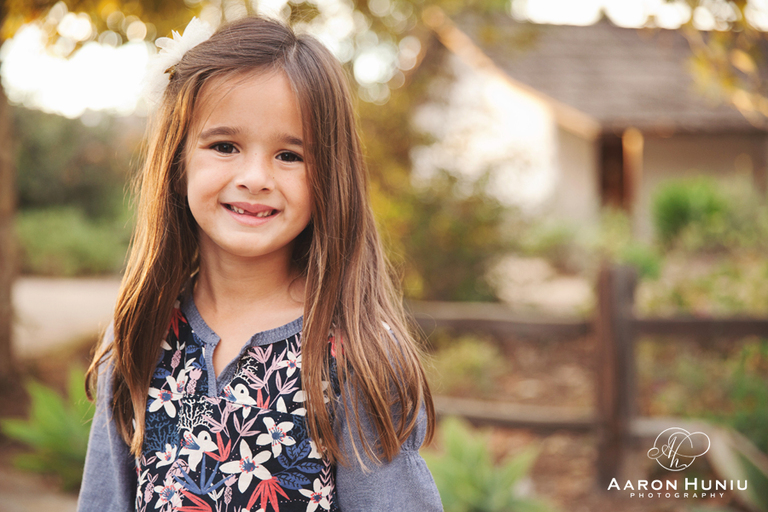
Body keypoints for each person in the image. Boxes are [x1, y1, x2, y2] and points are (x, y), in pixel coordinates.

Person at [77, 16, 442, 512]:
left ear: (329, 176)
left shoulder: (356, 356)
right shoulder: (138, 337)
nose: (255, 177)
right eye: (224, 146)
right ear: (178, 160)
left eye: (289, 155)